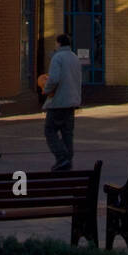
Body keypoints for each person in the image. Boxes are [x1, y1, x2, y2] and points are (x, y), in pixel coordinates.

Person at [43, 34, 82, 171]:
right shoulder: (75, 57)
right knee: (67, 132)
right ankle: (68, 160)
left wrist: (46, 89)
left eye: (55, 43)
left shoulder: (57, 57)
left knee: (50, 130)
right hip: (72, 101)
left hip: (59, 101)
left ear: (59, 43)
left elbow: (53, 79)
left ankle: (62, 157)